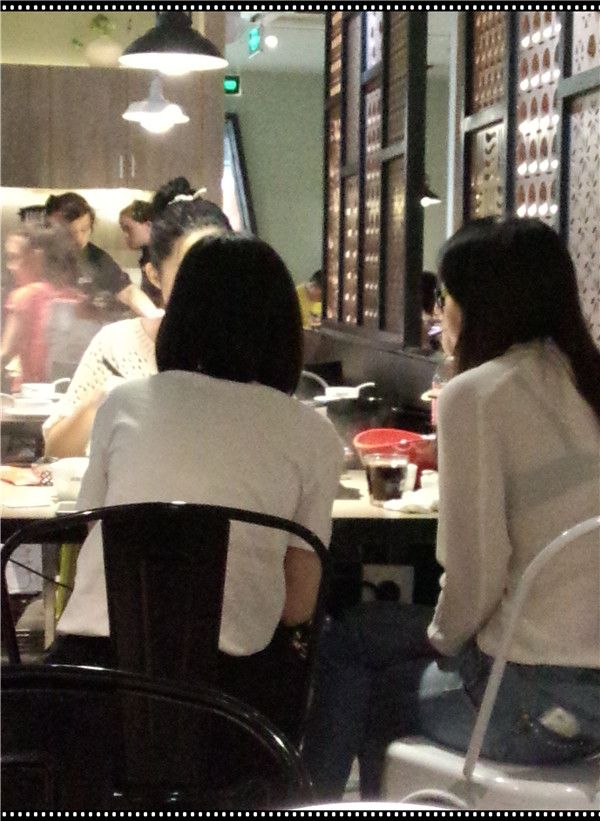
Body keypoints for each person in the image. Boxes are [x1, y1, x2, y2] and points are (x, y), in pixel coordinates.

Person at [303, 217, 600, 798]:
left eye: (445, 296)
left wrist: (442, 641)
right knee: (379, 648)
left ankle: (309, 802)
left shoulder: (477, 394)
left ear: (479, 304)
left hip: (531, 706)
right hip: (591, 702)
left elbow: (475, 577)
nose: (439, 314)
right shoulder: (588, 380)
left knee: (357, 652)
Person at [46, 232, 345, 739]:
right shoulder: (313, 434)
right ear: (283, 332)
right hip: (230, 711)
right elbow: (297, 605)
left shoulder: (123, 404)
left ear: (179, 318)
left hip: (91, 694)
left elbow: (96, 533)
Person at [43, 196, 232, 459]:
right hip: (62, 354)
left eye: (219, 264)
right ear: (154, 275)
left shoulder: (249, 348)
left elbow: (128, 291)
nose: (207, 279)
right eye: (190, 266)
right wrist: (99, 400)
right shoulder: (117, 345)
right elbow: (56, 450)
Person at [45, 192, 160, 319]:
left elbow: (128, 291)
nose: (79, 239)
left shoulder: (96, 258)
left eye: (84, 230)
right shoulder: (39, 255)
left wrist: (155, 316)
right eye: (70, 232)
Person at [1, 225, 81, 384]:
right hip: (70, 389)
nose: (10, 267)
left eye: (14, 257)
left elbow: (4, 354)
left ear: (37, 257)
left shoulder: (24, 296)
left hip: (34, 392)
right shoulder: (75, 296)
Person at [118, 199, 161, 307]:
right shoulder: (147, 254)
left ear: (148, 226)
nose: (125, 235)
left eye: (128, 228)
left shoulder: (161, 256)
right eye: (123, 229)